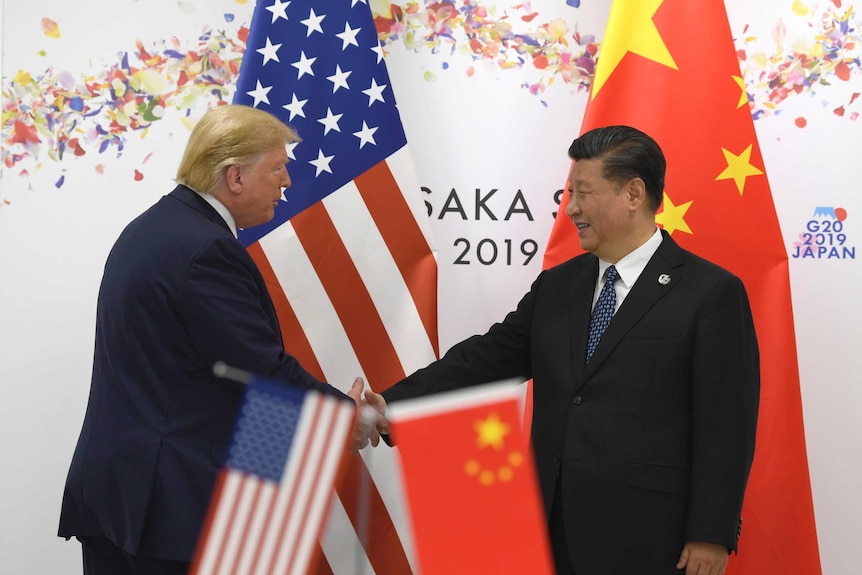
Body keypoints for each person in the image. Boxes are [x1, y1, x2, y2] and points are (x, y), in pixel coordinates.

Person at [366, 125, 760, 575]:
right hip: (550, 529)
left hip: (651, 538)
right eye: (569, 192)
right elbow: (489, 357)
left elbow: (726, 426)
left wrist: (711, 532)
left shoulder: (710, 293)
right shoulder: (559, 285)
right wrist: (393, 402)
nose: (569, 208)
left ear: (633, 193)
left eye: (582, 193)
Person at [58, 104, 370, 574]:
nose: (287, 181)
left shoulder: (149, 230)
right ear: (235, 177)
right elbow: (259, 371)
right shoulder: (206, 250)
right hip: (170, 510)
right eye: (278, 167)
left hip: (120, 498)